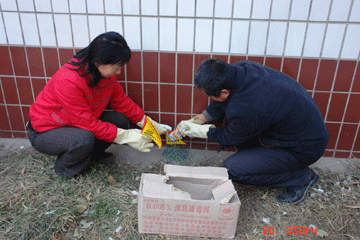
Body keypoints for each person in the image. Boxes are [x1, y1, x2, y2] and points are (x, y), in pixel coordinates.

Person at [177, 59, 329, 204]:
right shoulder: (240, 69)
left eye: (211, 96)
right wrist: (201, 119)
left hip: (303, 148)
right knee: (246, 149)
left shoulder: (247, 107)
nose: (211, 99)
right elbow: (222, 101)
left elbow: (231, 137)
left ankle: (301, 178)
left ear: (224, 92)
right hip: (301, 131)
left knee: (234, 169)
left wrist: (204, 132)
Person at [28, 32, 167, 178]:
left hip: (75, 124)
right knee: (84, 138)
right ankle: (66, 170)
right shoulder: (68, 80)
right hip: (47, 130)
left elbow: (122, 102)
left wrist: (148, 123)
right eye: (116, 66)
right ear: (99, 61)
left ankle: (88, 157)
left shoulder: (104, 75)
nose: (119, 72)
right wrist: (125, 136)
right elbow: (85, 122)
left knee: (118, 120)